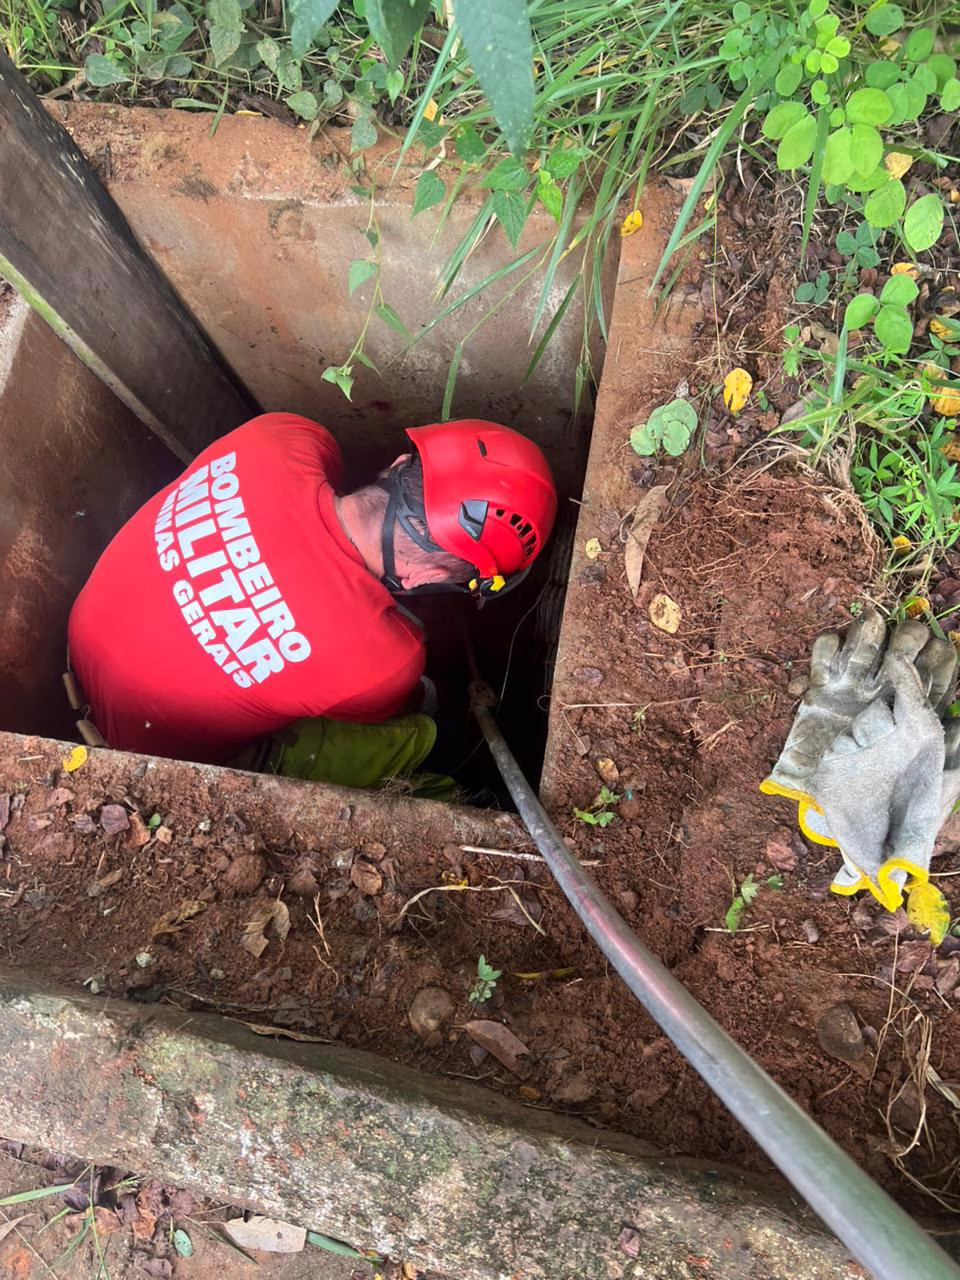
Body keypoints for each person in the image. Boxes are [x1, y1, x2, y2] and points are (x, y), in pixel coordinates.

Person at [66, 412, 557, 792]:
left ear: (401, 464)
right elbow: (403, 701)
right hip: (145, 756)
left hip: (84, 643)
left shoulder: (285, 436)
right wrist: (435, 699)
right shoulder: (382, 660)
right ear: (427, 575)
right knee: (417, 733)